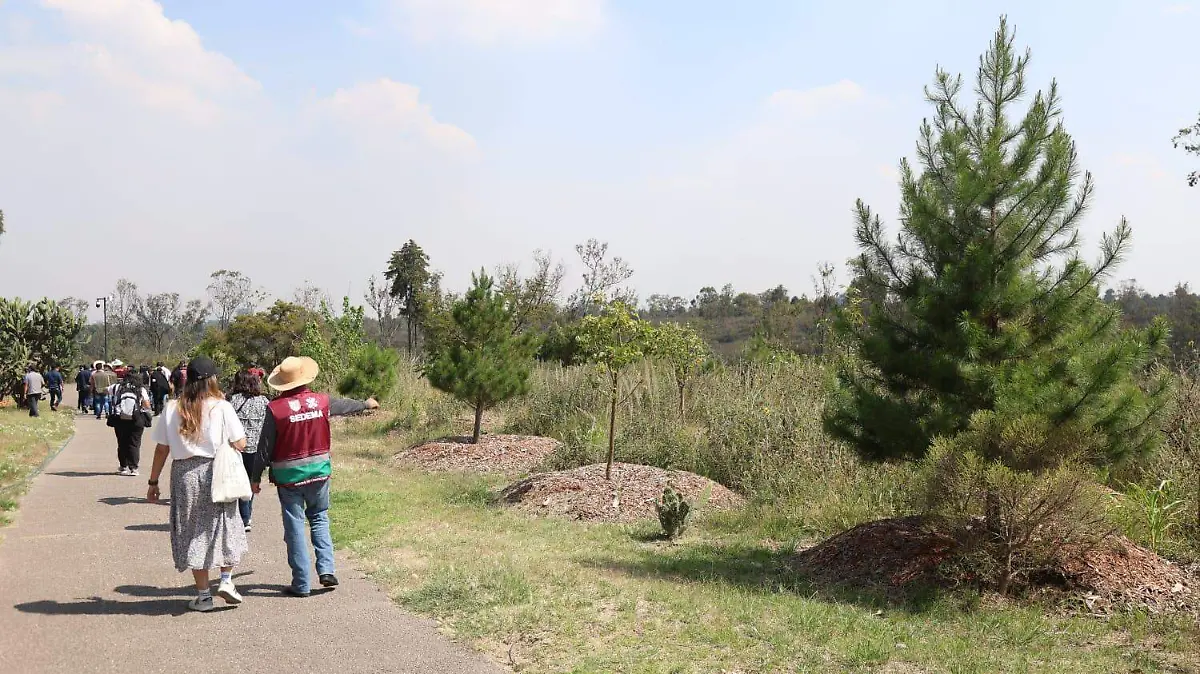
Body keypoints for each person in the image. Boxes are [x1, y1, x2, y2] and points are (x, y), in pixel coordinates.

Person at [251, 356, 378, 596]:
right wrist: (365, 403)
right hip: (319, 472)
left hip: (288, 477)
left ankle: (301, 584)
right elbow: (344, 405)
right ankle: (327, 570)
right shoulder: (321, 401)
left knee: (295, 526)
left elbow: (265, 446)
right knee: (319, 517)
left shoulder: (275, 409)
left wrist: (255, 476)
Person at [146, 357, 249, 613]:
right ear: (213, 379)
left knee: (191, 529)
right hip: (217, 471)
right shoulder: (221, 407)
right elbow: (241, 442)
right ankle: (226, 580)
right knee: (225, 524)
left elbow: (162, 449)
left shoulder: (171, 408)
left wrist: (153, 481)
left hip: (184, 475)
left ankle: (204, 595)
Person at [227, 370, 269, 532]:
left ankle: (238, 516)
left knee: (236, 481)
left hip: (235, 447)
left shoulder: (232, 400)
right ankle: (246, 516)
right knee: (250, 482)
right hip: (256, 449)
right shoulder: (263, 401)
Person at [111, 371, 151, 476]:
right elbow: (147, 405)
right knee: (134, 443)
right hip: (136, 419)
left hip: (120, 419)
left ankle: (123, 466)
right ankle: (134, 468)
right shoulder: (140, 389)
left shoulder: (117, 387)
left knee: (122, 443)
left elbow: (107, 391)